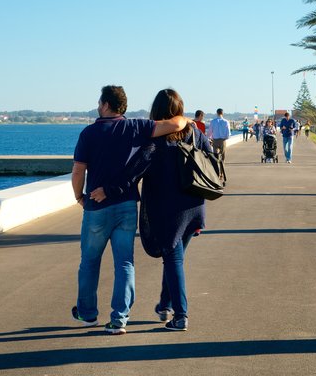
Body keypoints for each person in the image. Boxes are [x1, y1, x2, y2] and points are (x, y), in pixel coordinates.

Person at [70, 85, 188, 335]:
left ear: (105, 105)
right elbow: (176, 125)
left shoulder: (89, 133)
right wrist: (185, 116)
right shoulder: (137, 127)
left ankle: (88, 313)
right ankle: (119, 319)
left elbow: (79, 170)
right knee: (124, 263)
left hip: (96, 206)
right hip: (125, 206)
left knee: (89, 262)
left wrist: (79, 197)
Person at [129, 89, 212, 331]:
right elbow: (210, 157)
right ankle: (165, 305)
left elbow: (135, 169)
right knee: (175, 258)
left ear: (157, 111)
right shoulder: (195, 133)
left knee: (173, 259)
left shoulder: (156, 141)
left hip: (168, 211)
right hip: (194, 206)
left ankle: (181, 315)